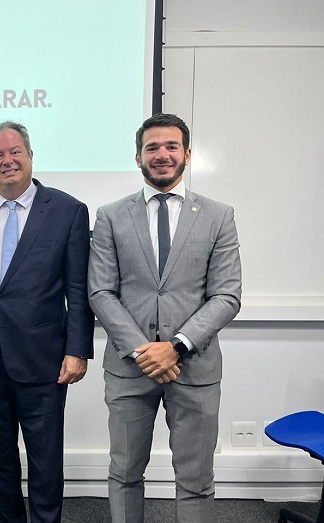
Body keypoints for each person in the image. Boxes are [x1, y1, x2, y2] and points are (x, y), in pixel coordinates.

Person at [88, 113, 242, 523]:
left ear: (187, 154)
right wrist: (145, 351)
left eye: (171, 146)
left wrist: (175, 347)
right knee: (124, 474)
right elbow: (101, 291)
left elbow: (227, 294)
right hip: (129, 367)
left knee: (196, 480)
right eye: (152, 147)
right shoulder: (110, 215)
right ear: (138, 157)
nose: (162, 155)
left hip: (194, 369)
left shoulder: (218, 215)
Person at [0, 121, 95, 522]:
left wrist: (77, 350)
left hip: (44, 359)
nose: (7, 161)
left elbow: (78, 289)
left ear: (30, 156)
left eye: (15, 152)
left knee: (45, 459)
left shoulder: (68, 210)